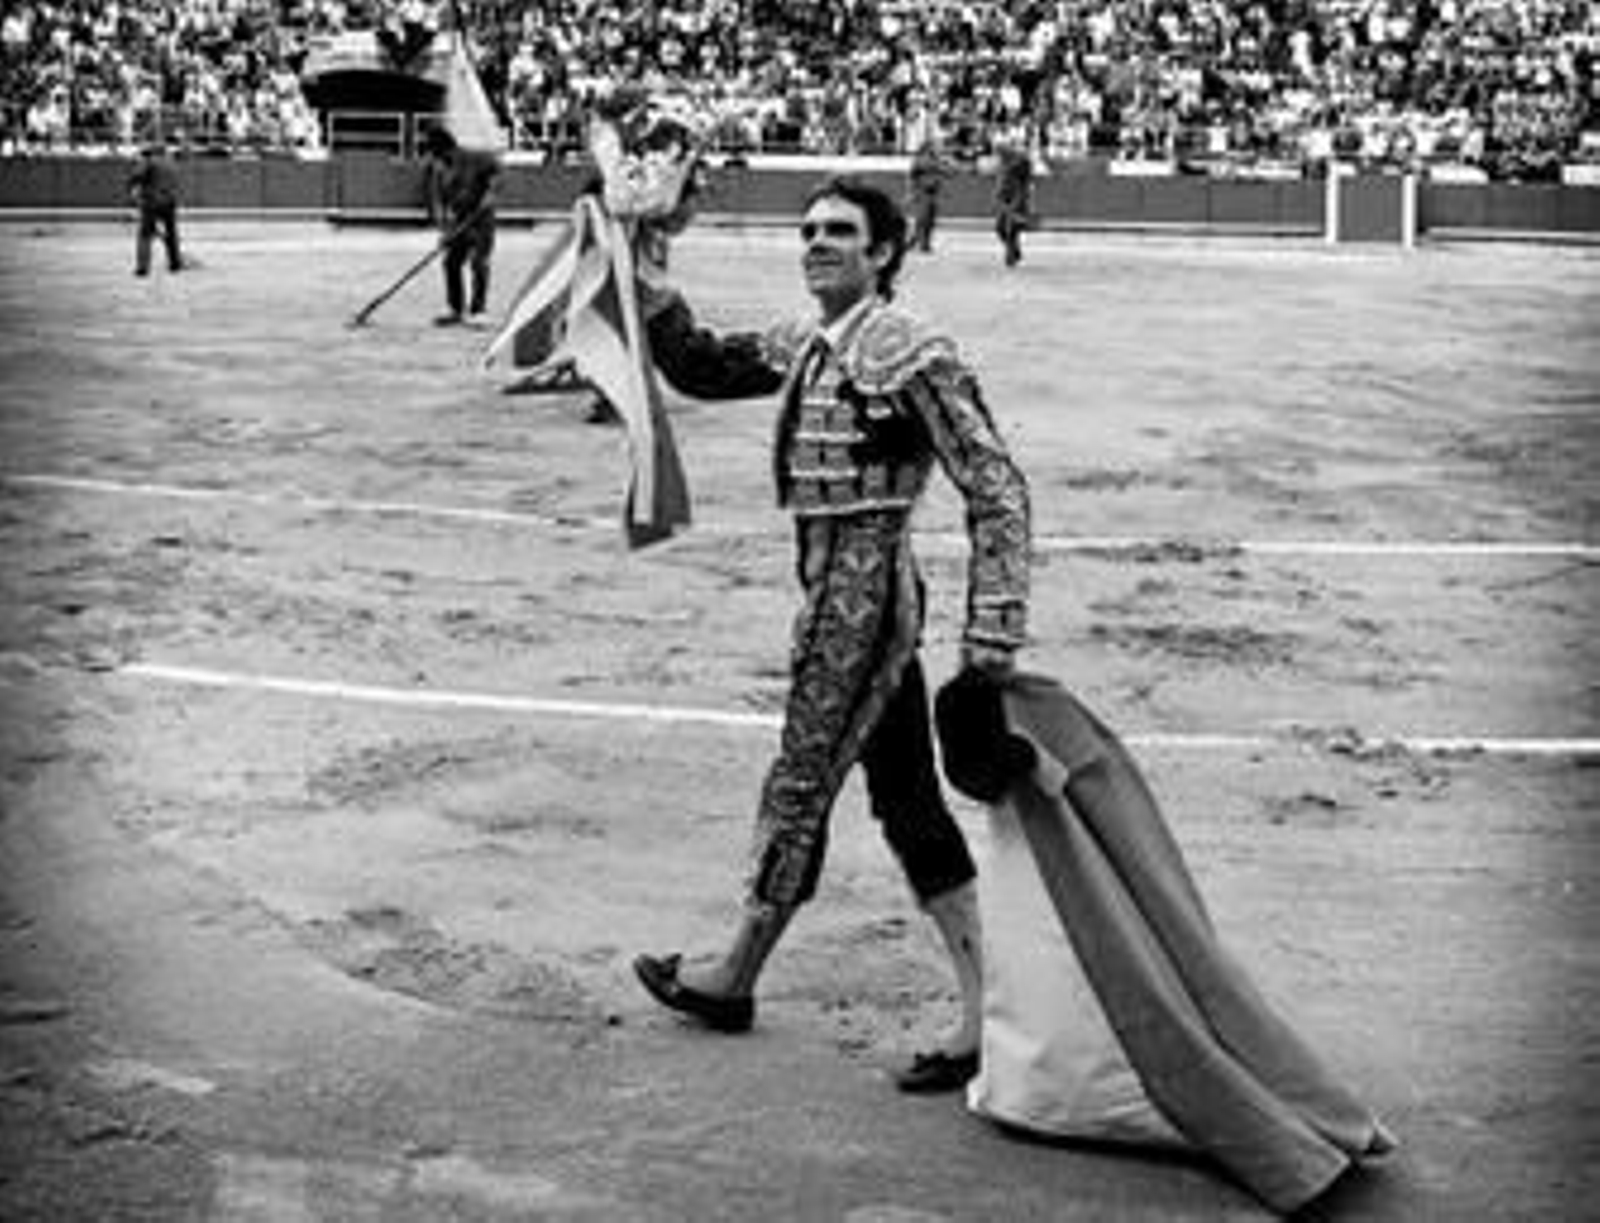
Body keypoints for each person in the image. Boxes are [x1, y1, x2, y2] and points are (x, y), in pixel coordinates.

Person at [631, 176, 1032, 1094]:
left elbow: (996, 484)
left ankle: (736, 971)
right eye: (808, 229)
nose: (816, 243)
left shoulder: (909, 350)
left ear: (884, 252)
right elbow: (699, 364)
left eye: (840, 232)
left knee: (804, 776)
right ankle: (983, 1007)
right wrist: (643, 267)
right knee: (904, 797)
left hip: (865, 599)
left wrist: (992, 641)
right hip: (829, 590)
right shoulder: (810, 340)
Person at [422, 126, 499, 325]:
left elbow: (495, 173)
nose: (432, 158)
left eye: (433, 152)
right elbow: (439, 203)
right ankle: (455, 309)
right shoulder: (439, 169)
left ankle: (478, 310)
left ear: (443, 149)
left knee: (479, 262)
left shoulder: (473, 157)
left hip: (481, 220)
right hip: (459, 220)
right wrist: (445, 231)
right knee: (451, 262)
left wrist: (490, 193)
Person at [128, 143, 182, 277]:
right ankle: (175, 263)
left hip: (151, 202)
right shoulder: (172, 163)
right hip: (170, 202)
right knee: (171, 234)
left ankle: (143, 267)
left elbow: (136, 176)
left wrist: (132, 186)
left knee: (145, 235)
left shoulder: (149, 162)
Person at [992, 139, 1033, 267]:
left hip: (1016, 199)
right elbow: (1000, 182)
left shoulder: (1019, 162)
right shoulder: (1002, 164)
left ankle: (1011, 257)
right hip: (1004, 200)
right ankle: (1015, 250)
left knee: (1011, 230)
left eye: (1001, 151)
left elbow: (1025, 181)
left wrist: (1018, 203)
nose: (999, 155)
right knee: (1000, 228)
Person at [906, 138, 950, 253]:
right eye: (935, 147)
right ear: (928, 148)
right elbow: (912, 176)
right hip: (923, 191)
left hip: (933, 192)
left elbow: (947, 173)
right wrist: (912, 192)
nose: (937, 149)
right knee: (923, 218)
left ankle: (920, 242)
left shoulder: (937, 160)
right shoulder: (920, 160)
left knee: (930, 219)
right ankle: (919, 242)